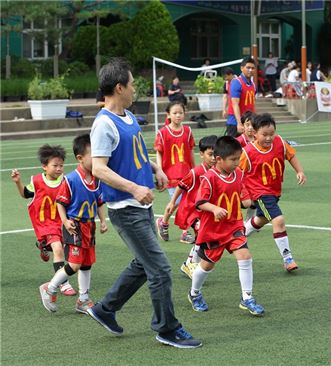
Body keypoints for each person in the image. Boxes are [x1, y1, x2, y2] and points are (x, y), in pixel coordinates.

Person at [88, 58, 201, 349]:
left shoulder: (127, 116)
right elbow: (99, 168)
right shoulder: (103, 123)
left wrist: (156, 169)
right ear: (118, 87)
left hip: (141, 205)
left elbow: (135, 153)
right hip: (125, 210)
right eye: (132, 84)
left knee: (144, 263)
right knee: (160, 269)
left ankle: (105, 309)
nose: (135, 88)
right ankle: (167, 328)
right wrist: (134, 188)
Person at [188, 136, 265, 317]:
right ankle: (194, 293)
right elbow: (200, 202)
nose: (237, 163)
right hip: (213, 231)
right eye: (233, 159)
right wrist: (214, 208)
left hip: (233, 226)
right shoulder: (209, 178)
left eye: (238, 158)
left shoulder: (238, 174)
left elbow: (243, 194)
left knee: (245, 256)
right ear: (219, 159)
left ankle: (247, 298)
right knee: (206, 266)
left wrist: (249, 201)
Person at [39, 134, 108, 313]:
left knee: (86, 264)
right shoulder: (71, 179)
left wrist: (102, 220)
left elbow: (99, 202)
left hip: (89, 226)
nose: (98, 158)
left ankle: (83, 300)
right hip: (75, 226)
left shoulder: (97, 178)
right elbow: (60, 203)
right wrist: (65, 221)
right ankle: (50, 288)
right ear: (80, 158)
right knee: (75, 264)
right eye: (93, 155)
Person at [241, 113, 307, 272]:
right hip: (260, 193)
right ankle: (287, 258)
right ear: (254, 133)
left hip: (275, 191)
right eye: (264, 134)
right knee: (278, 220)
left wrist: (300, 171)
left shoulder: (280, 142)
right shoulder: (248, 152)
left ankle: (240, 233)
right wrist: (244, 195)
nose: (269, 138)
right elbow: (237, 174)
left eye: (272, 133)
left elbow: (291, 155)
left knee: (261, 219)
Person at [11, 145, 77, 296]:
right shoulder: (37, 181)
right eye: (55, 165)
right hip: (45, 225)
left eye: (61, 165)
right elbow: (26, 194)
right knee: (58, 249)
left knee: (68, 251)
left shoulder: (66, 181)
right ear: (44, 166)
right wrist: (17, 182)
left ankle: (43, 246)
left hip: (62, 223)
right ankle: (64, 284)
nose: (59, 168)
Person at [164, 135, 217, 279]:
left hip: (204, 212)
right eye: (210, 154)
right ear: (201, 154)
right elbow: (181, 186)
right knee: (201, 233)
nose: (213, 158)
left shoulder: (217, 172)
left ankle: (189, 262)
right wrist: (172, 202)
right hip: (190, 211)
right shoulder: (196, 172)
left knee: (205, 238)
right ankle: (190, 263)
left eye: (216, 154)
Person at [155, 101, 196, 243]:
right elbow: (159, 153)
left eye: (180, 113)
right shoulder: (163, 133)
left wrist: (195, 170)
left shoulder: (188, 131)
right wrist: (160, 171)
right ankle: (163, 222)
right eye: (175, 113)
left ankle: (183, 231)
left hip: (186, 173)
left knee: (187, 202)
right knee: (178, 202)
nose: (178, 115)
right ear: (168, 115)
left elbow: (190, 151)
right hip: (171, 175)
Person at [226, 57, 256, 137]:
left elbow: (252, 104)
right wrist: (239, 123)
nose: (250, 70)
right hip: (235, 123)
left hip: (248, 123)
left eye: (253, 68)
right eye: (248, 67)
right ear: (242, 68)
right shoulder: (237, 82)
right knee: (232, 149)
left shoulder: (253, 85)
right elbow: (235, 104)